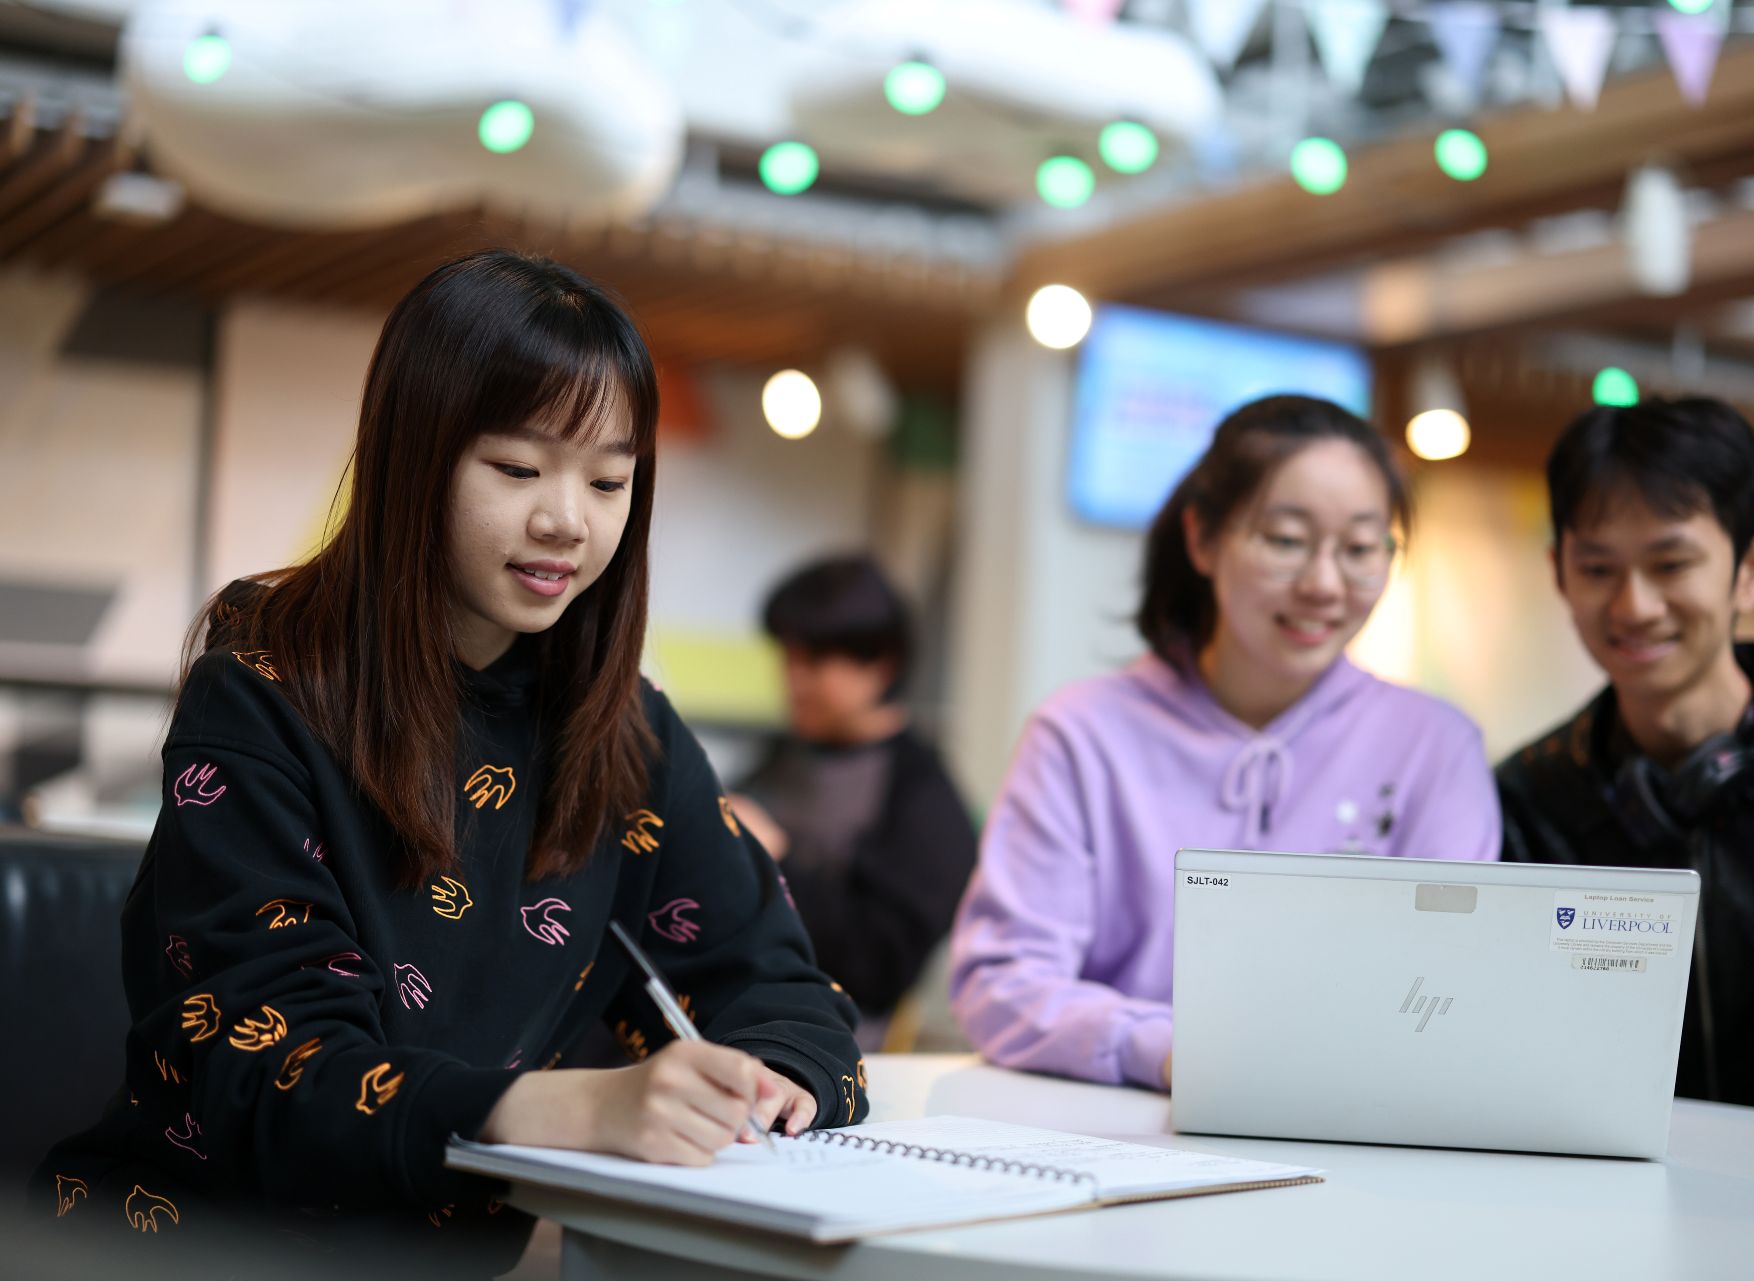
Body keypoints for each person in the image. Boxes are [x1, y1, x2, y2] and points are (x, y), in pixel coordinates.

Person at [28, 250, 866, 1277]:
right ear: (415, 458)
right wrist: (568, 1108)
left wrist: (775, 1081)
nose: (568, 518)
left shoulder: (622, 731)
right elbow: (268, 1066)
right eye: (518, 469)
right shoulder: (263, 690)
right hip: (187, 1248)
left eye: (609, 480)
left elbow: (778, 980)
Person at [949, 395, 1501, 1092]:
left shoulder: (1435, 746)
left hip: (1353, 1129)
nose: (1324, 584)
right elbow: (1001, 981)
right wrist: (1165, 1049)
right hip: (1117, 1126)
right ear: (1203, 539)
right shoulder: (1081, 735)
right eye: (1286, 540)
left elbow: (1455, 985)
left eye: (1361, 548)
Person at [1498, 396, 1754, 1132]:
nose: (1634, 605)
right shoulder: (1527, 801)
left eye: (1671, 563)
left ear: (1751, 569)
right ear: (1560, 574)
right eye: (1598, 566)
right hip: (1616, 1224)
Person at [727, 555, 976, 1047]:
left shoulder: (924, 802)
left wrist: (777, 857)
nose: (793, 681)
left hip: (826, 1051)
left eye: (815, 663)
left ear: (880, 664)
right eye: (788, 658)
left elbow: (878, 968)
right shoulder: (779, 758)